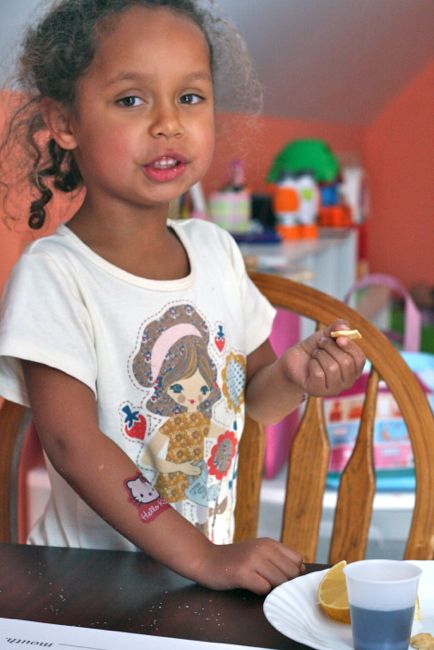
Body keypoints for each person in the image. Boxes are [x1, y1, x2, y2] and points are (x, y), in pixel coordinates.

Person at [0, 0, 365, 595]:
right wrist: (203, 557)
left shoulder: (216, 250)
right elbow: (71, 444)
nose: (168, 123)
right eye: (131, 100)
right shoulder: (57, 275)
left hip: (190, 587)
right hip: (84, 587)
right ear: (64, 122)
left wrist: (295, 375)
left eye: (190, 97)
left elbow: (256, 401)